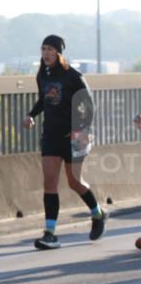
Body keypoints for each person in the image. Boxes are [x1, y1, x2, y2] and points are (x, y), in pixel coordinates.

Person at [22, 34, 105, 250]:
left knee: (74, 182)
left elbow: (88, 104)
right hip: (50, 135)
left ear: (59, 52)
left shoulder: (72, 76)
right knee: (49, 182)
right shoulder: (43, 75)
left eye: (50, 49)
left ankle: (97, 214)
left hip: (73, 137)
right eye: (43, 49)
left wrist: (82, 130)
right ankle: (50, 233)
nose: (46, 53)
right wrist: (31, 115)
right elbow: (44, 100)